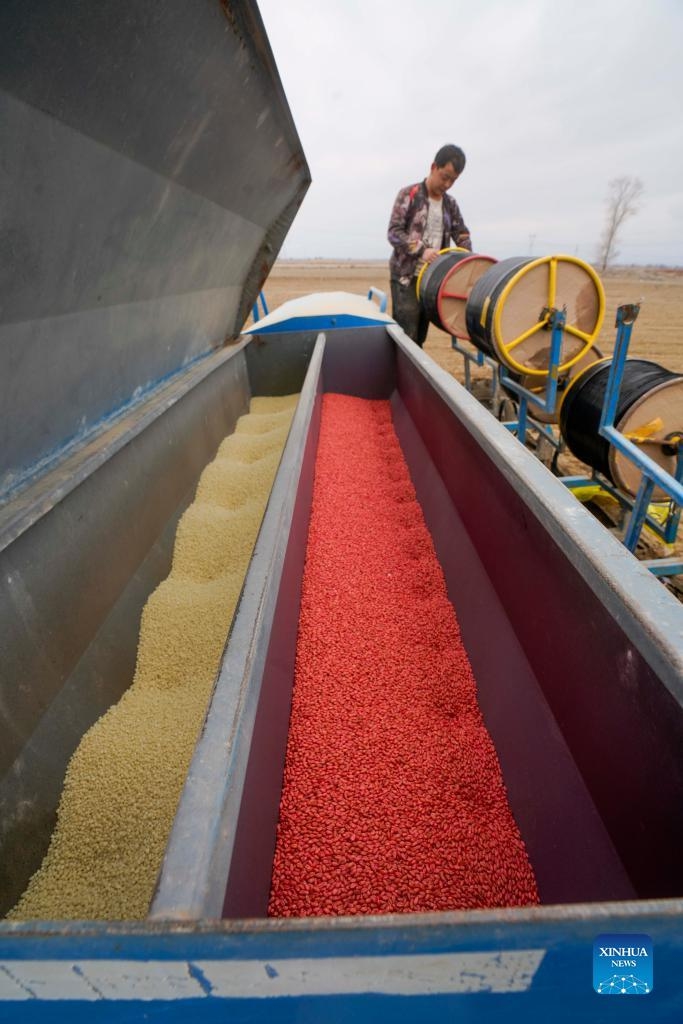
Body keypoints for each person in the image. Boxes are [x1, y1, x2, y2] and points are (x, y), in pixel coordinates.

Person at [387, 144, 472, 347]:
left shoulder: (450, 205)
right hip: (406, 278)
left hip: (431, 280)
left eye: (453, 180)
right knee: (406, 335)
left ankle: (412, 375)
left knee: (420, 337)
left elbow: (462, 235)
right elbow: (394, 232)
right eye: (445, 176)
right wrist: (421, 250)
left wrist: (469, 262)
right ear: (434, 167)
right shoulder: (409, 194)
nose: (448, 184)